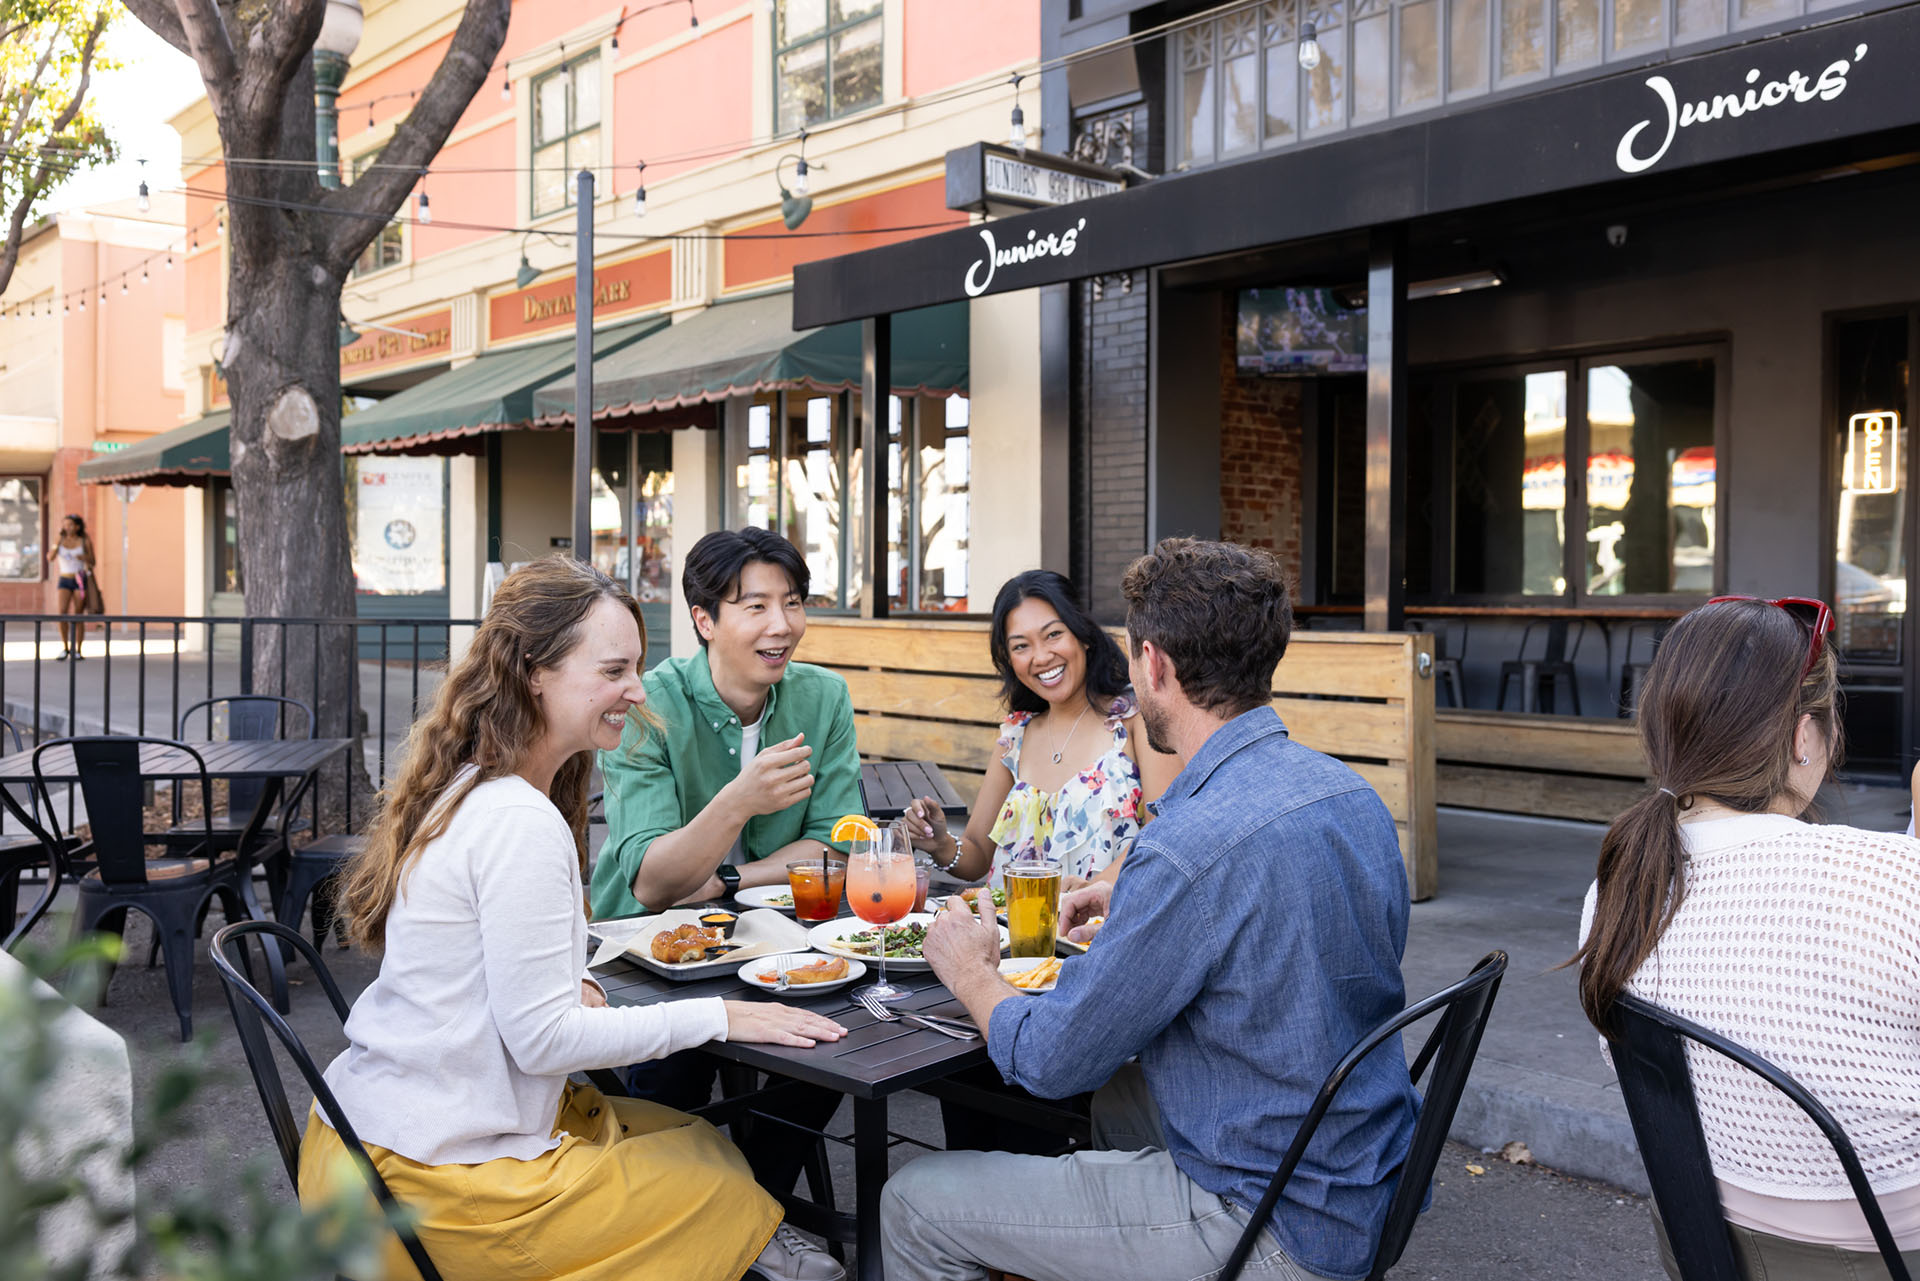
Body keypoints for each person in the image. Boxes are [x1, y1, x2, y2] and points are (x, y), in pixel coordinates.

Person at [883, 538, 1420, 1281]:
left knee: (912, 1199)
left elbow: (1051, 1059)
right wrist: (1138, 898)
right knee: (1116, 1105)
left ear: (1156, 664)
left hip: (1265, 1216)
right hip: (1367, 1176)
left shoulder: (1183, 848)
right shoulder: (1351, 795)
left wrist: (971, 972)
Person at [305, 556, 849, 1281]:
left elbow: (507, 985)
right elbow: (543, 1039)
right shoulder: (517, 820)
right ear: (536, 671)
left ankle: (758, 1248)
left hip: (368, 1145)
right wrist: (721, 1015)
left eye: (637, 668)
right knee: (718, 1180)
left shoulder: (476, 784)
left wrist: (576, 986)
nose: (635, 689)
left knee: (699, 1140)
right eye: (615, 670)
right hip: (430, 1189)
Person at [1572, 596, 1920, 1278]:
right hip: (1888, 1252)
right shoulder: (1891, 883)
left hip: (1699, 1243)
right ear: (1803, 737)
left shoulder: (1616, 890)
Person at [588, 527, 861, 1203]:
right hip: (651, 950)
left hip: (779, 938)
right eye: (756, 605)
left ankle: (747, 1209)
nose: (782, 624)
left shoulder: (821, 698)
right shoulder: (648, 703)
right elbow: (653, 879)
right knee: (677, 1072)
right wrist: (738, 801)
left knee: (829, 1044)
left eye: (793, 602)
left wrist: (733, 877)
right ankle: (701, 1216)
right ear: (705, 620)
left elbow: (834, 849)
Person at [903, 570, 1180, 889]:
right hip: (1015, 933)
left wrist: (1095, 889)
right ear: (1009, 660)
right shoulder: (1014, 737)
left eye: (1053, 635)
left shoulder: (1136, 719)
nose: (1041, 657)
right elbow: (977, 853)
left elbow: (1164, 831)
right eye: (1021, 646)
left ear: (1083, 635)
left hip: (1104, 930)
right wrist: (940, 843)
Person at [45, 514, 94, 660]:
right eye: (65, 525)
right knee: (62, 613)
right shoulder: (59, 540)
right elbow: (50, 558)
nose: (68, 527)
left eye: (71, 525)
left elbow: (93, 560)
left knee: (78, 615)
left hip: (79, 579)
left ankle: (78, 649)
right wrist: (58, 543)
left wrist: (83, 558)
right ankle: (65, 647)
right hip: (64, 579)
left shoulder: (84, 540)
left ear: (77, 526)